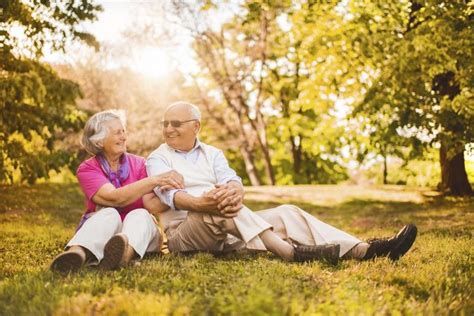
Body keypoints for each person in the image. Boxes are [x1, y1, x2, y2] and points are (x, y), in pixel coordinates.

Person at [145, 102, 417, 264]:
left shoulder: (214, 154)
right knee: (219, 205)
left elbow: (231, 180)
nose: (168, 129)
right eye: (165, 123)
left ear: (196, 126)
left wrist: (236, 189)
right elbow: (171, 197)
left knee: (288, 212)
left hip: (227, 230)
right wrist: (202, 202)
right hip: (185, 234)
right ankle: (290, 253)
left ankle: (366, 250)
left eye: (176, 123)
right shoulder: (157, 158)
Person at [50, 110, 184, 274]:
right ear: (99, 142)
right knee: (108, 213)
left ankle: (124, 254)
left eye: (123, 131)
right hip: (103, 233)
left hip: (140, 233)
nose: (123, 137)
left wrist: (176, 193)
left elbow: (152, 206)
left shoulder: (140, 164)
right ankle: (76, 254)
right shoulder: (88, 169)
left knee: (140, 214)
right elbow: (114, 198)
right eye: (117, 133)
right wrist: (155, 180)